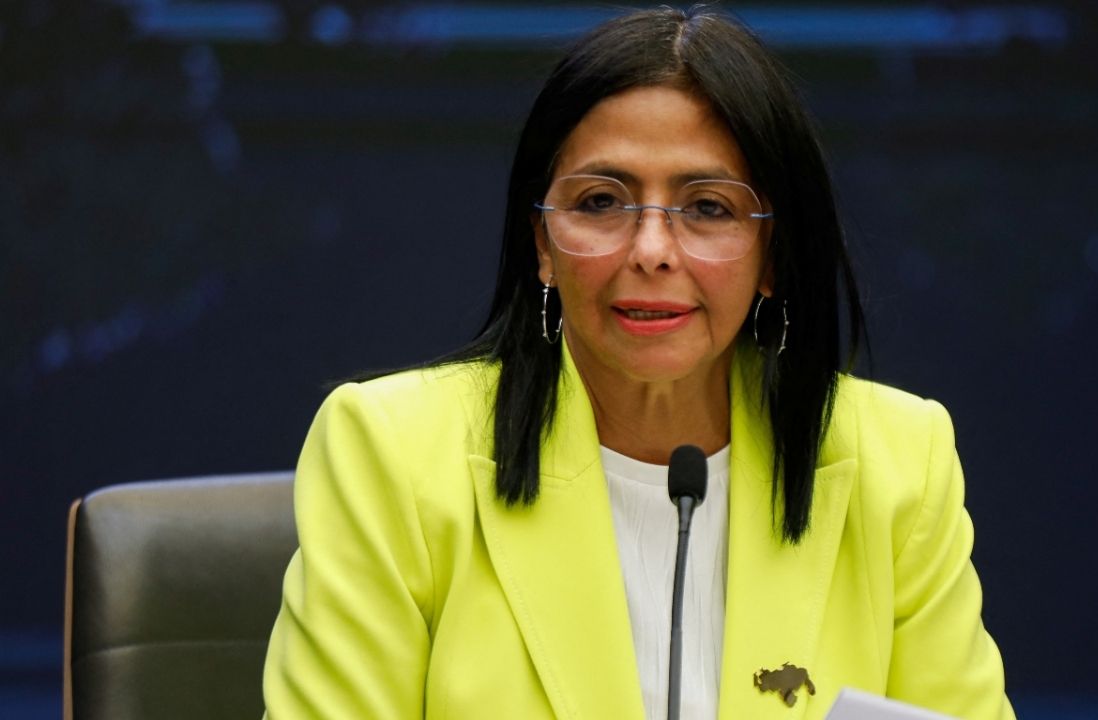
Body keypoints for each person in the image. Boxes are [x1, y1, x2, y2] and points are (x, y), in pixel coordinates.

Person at [262, 7, 1014, 720]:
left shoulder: (897, 463)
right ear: (541, 245)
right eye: (600, 201)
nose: (651, 250)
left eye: (708, 208)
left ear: (773, 257)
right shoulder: (393, 453)